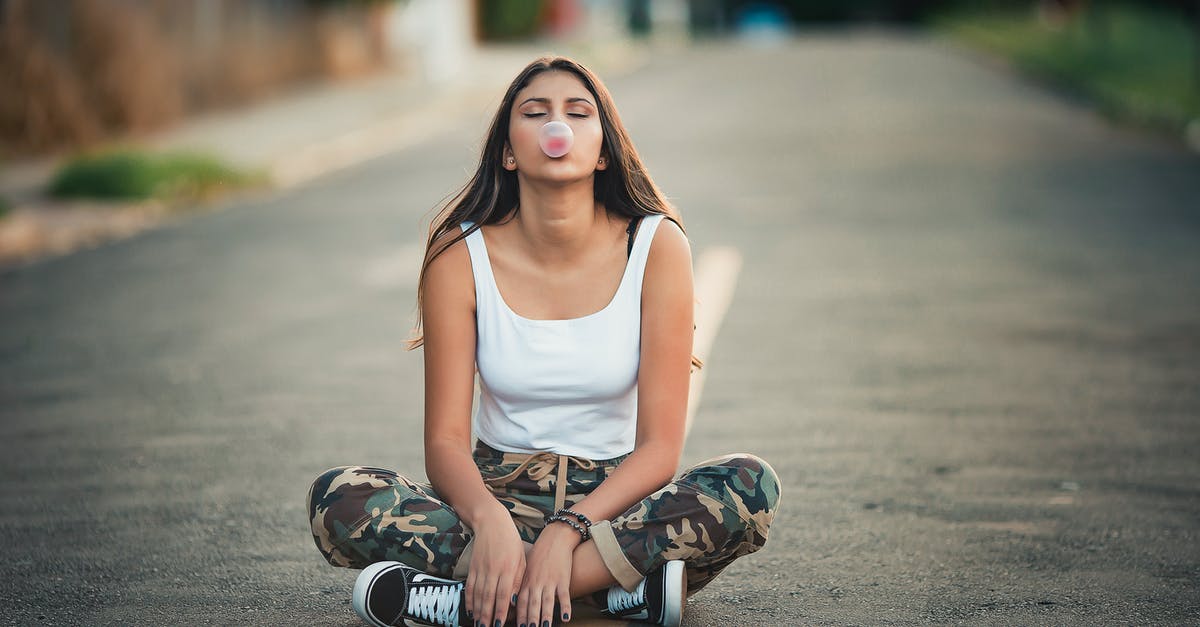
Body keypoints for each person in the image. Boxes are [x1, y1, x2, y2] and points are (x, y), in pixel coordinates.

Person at [306, 55, 781, 627]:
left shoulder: (656, 246)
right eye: (535, 112)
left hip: (613, 512)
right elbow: (446, 442)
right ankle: (611, 599)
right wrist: (490, 523)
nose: (557, 126)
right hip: (496, 499)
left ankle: (479, 601)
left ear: (603, 150)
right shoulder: (459, 254)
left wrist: (568, 531)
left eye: (578, 113)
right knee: (340, 496)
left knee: (747, 486)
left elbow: (659, 450)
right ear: (509, 150)